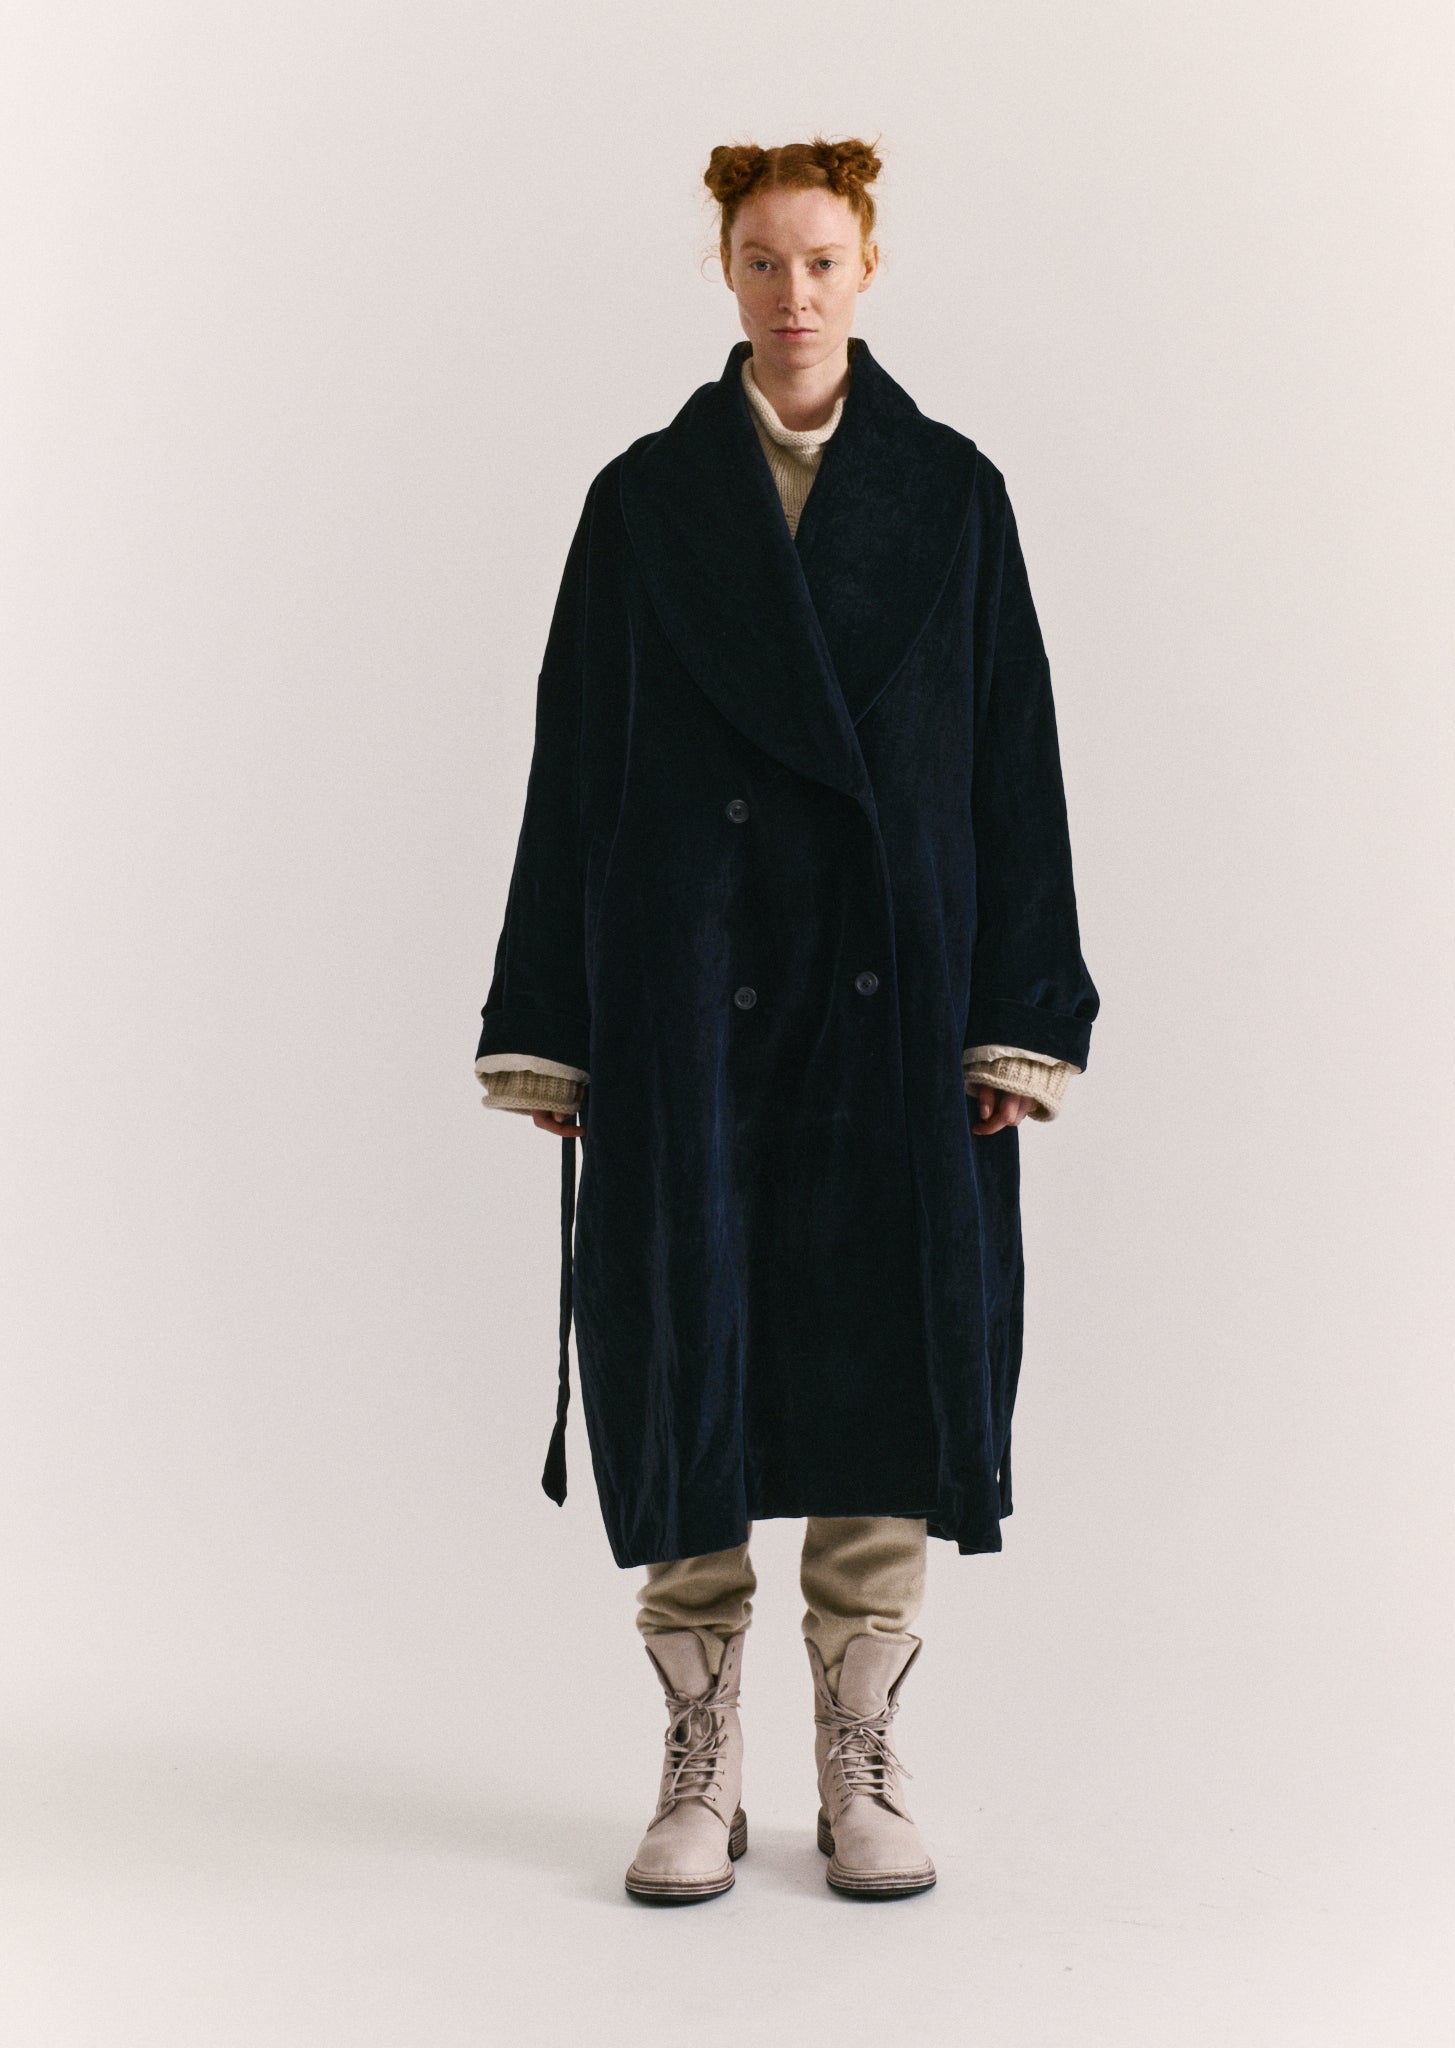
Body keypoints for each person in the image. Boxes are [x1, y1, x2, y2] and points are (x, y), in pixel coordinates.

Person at [473, 135, 1099, 1904]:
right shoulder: (643, 499)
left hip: (894, 996)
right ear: (726, 273)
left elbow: (1014, 761)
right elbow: (572, 762)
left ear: (867, 267)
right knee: (688, 1346)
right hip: (688, 986)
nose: (793, 292)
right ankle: (698, 1761)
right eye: (762, 261)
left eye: (821, 261)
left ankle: (861, 1749)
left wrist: (1018, 1014)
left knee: (882, 1348)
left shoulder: (952, 495)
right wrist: (554, 1022)